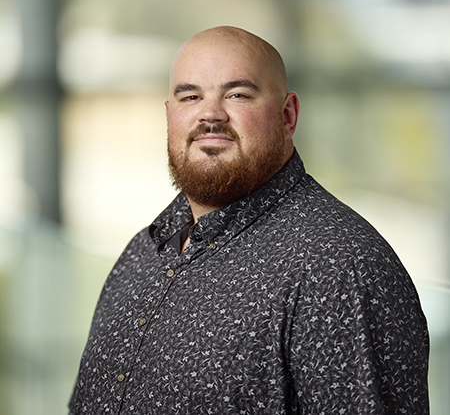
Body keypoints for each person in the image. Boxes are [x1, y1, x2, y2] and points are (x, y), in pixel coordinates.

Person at [69, 26, 429, 414]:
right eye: (190, 96)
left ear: (287, 115)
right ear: (170, 116)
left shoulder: (340, 266)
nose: (210, 114)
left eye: (237, 94)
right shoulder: (144, 251)